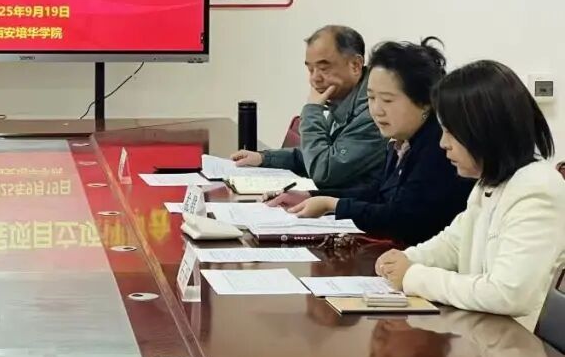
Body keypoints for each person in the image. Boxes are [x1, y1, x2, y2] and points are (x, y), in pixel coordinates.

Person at [376, 61, 565, 331]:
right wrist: (409, 258)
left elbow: (507, 293)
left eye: (451, 133)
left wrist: (414, 276)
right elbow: (455, 243)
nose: (443, 144)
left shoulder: (537, 189)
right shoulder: (490, 183)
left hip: (521, 345)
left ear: (485, 131)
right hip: (485, 334)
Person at [279, 39, 473, 246]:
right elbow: (378, 192)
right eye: (371, 98)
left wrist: (333, 205)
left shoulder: (439, 147)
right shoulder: (402, 139)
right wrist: (311, 196)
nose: (377, 110)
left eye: (387, 100)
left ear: (425, 102)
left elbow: (403, 218)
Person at [231, 25, 387, 193]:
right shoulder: (343, 98)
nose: (314, 79)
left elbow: (324, 171)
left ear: (355, 65)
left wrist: (312, 110)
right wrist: (263, 158)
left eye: (323, 68)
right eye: (310, 69)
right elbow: (316, 154)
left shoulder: (375, 110)